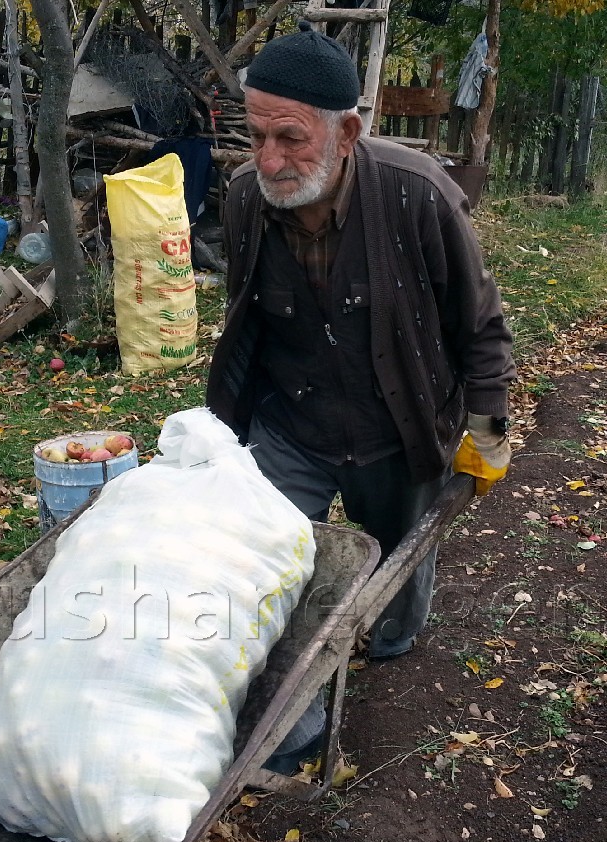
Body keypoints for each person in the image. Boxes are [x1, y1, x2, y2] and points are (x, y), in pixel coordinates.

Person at [204, 22, 516, 772]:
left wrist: (487, 431)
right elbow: (245, 319)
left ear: (345, 132)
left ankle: (395, 648)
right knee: (265, 571)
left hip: (398, 427)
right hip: (294, 424)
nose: (269, 159)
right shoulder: (246, 199)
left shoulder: (417, 195)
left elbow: (480, 324)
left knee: (398, 575)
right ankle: (292, 718)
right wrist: (223, 436)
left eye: (291, 138)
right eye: (257, 136)